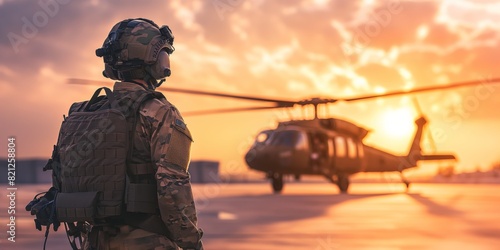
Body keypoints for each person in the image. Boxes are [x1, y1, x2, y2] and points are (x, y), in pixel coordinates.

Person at [55, 18, 203, 250]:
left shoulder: (88, 112)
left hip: (95, 241)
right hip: (147, 241)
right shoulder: (160, 112)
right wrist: (192, 243)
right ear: (152, 59)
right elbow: (172, 188)